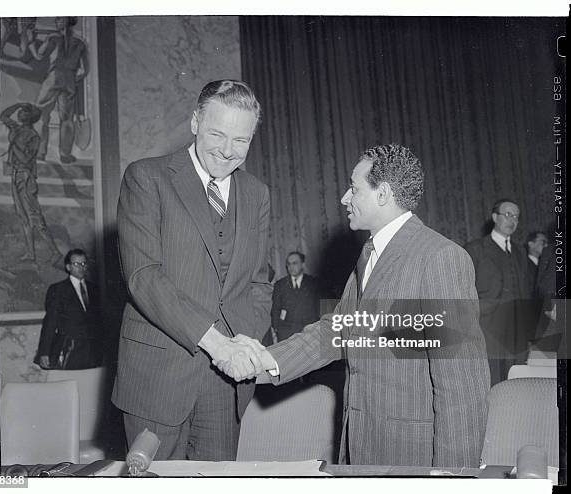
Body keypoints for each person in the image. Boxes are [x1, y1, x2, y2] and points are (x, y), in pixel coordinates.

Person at [222, 144, 490, 468]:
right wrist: (263, 360)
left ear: (383, 194)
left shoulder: (440, 258)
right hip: (360, 452)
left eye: (354, 187)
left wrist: (454, 481)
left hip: (410, 461)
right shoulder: (367, 257)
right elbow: (333, 333)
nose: (344, 199)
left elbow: (462, 389)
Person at [111, 80, 273, 461]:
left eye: (241, 140)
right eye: (217, 133)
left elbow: (259, 284)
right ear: (195, 122)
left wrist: (243, 348)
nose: (228, 150)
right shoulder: (146, 177)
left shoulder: (257, 193)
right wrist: (218, 345)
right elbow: (143, 277)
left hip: (226, 383)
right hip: (158, 379)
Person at [465, 199, 532, 385]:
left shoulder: (520, 252)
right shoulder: (475, 249)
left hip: (517, 331)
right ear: (495, 217)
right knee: (491, 383)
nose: (512, 220)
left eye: (516, 217)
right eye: (508, 215)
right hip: (487, 328)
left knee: (516, 384)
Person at [0, 102, 63, 266]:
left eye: (23, 111)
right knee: (23, 217)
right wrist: (17, 104)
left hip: (26, 177)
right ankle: (30, 253)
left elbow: (27, 160)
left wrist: (15, 144)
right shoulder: (16, 128)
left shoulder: (33, 136)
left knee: (35, 217)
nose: (20, 113)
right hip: (15, 175)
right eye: (20, 111)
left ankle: (55, 252)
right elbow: (4, 115)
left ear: (30, 117)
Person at [26, 16, 89, 163]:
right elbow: (85, 70)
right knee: (67, 120)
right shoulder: (80, 43)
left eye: (59, 19)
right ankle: (65, 154)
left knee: (42, 116)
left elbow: (38, 55)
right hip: (69, 81)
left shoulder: (53, 38)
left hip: (53, 79)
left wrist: (30, 41)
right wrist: (73, 78)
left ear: (66, 21)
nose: (56, 21)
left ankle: (40, 153)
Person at [35, 248, 103, 370]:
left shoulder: (95, 289)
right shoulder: (58, 290)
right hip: (69, 351)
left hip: (93, 352)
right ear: (68, 267)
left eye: (83, 264)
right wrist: (44, 352)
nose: (81, 267)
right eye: (76, 264)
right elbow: (50, 323)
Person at [271, 251, 320, 342]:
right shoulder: (280, 284)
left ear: (303, 264)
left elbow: (319, 307)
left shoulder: (314, 283)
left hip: (309, 332)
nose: (291, 267)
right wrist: (277, 328)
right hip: (286, 334)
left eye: (295, 263)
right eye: (288, 264)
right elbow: (275, 309)